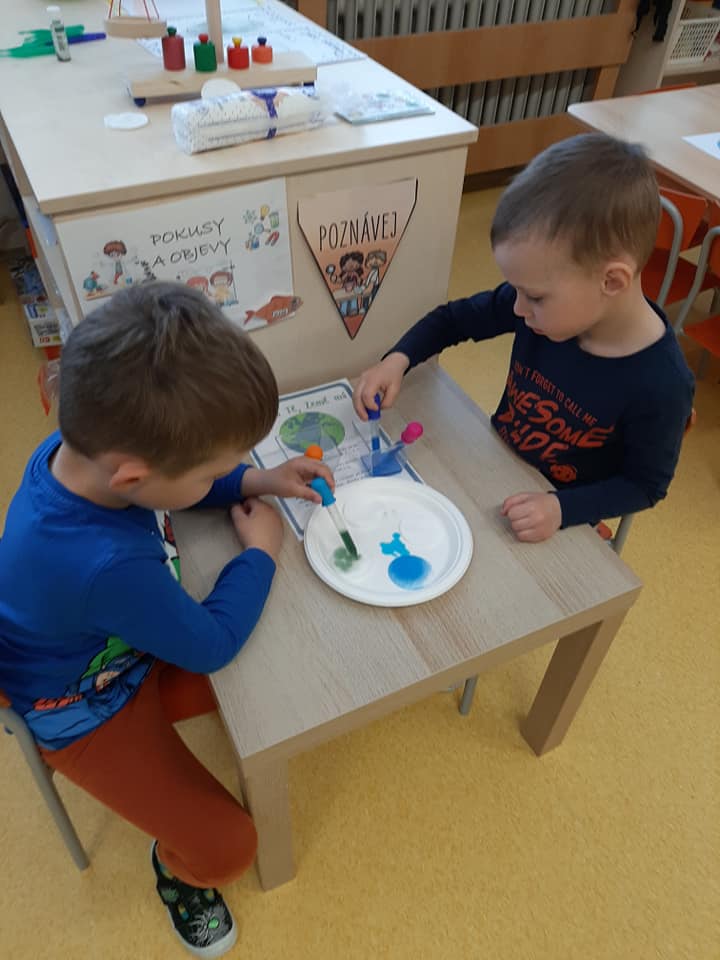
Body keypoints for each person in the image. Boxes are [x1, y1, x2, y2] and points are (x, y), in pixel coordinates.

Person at [0, 282, 332, 958]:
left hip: (124, 642)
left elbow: (173, 482)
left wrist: (256, 480)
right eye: (216, 469)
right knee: (229, 846)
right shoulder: (103, 565)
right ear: (131, 478)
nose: (223, 476)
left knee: (296, 666)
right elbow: (210, 646)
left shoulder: (78, 450)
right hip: (84, 708)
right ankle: (176, 872)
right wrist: (261, 551)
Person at [354, 134, 694, 542]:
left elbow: (644, 485)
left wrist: (562, 508)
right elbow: (453, 320)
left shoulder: (662, 384)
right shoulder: (541, 308)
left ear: (612, 281)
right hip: (496, 472)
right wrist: (397, 359)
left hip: (562, 523)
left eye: (534, 296)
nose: (517, 308)